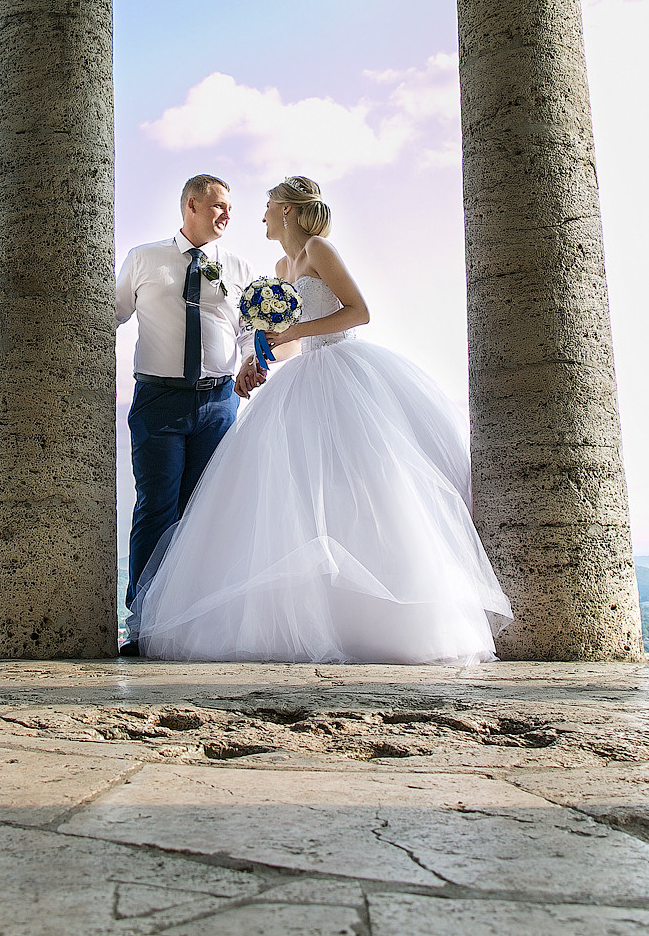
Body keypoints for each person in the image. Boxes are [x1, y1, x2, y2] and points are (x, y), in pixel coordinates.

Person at [130, 176, 511, 664]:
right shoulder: (278, 267)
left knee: (360, 489)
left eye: (268, 206)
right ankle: (312, 616)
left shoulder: (317, 250)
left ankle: (378, 618)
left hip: (343, 373)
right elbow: (288, 343)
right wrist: (258, 359)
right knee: (295, 498)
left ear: (287, 211)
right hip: (302, 375)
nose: (261, 214)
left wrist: (295, 329)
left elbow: (358, 312)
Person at [114, 174, 263, 657]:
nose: (227, 215)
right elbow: (111, 314)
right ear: (191, 206)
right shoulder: (144, 258)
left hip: (219, 401)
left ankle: (197, 624)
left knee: (206, 514)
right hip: (159, 399)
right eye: (219, 206)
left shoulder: (238, 266)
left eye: (230, 208)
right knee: (156, 507)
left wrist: (249, 360)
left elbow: (244, 333)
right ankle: (143, 625)